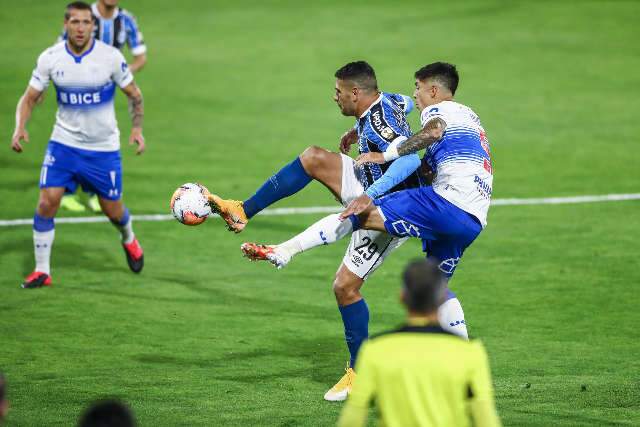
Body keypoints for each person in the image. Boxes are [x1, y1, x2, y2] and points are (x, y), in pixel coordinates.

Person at [208, 61, 442, 401]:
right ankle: (243, 210)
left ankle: (360, 373)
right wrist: (357, 134)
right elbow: (404, 102)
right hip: (368, 179)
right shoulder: (386, 100)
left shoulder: (378, 124)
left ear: (356, 93)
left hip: (389, 207)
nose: (334, 98)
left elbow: (408, 159)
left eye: (338, 92)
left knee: (345, 288)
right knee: (314, 157)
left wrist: (369, 194)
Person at [243, 63, 487, 346]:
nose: (415, 95)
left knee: (361, 213)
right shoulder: (470, 115)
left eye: (418, 88)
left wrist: (385, 156)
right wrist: (360, 130)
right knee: (435, 289)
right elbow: (406, 109)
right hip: (473, 219)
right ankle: (464, 359)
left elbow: (432, 133)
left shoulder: (438, 111)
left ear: (434, 90)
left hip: (444, 202)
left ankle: (286, 250)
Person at [11, 1, 146, 288]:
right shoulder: (51, 58)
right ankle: (42, 271)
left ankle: (128, 238)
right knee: (47, 201)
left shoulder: (110, 58)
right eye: (75, 22)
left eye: (86, 22)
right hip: (64, 145)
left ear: (93, 26)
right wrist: (20, 127)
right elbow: (30, 97)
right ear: (65, 25)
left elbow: (134, 94)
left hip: (103, 149)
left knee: (113, 211)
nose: (81, 28)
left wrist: (136, 129)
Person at [337, 259, 501, 427]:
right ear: (443, 297)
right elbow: (486, 420)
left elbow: (352, 420)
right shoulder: (470, 353)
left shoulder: (375, 351)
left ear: (402, 297)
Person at [59, 0, 147, 213]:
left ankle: (90, 193)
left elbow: (141, 57)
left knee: (97, 135)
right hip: (76, 86)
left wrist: (122, 74)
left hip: (105, 91)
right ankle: (66, 191)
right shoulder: (84, 17)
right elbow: (59, 49)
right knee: (73, 135)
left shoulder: (126, 20)